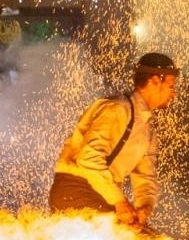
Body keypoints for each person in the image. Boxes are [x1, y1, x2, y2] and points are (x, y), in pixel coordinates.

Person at [51, 52, 179, 229]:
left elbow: (145, 176)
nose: (174, 93)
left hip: (101, 194)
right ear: (155, 81)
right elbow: (88, 160)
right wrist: (119, 202)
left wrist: (144, 207)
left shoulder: (148, 128)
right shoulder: (118, 109)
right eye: (171, 86)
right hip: (76, 190)